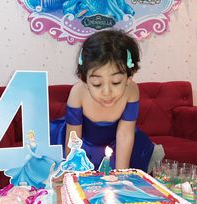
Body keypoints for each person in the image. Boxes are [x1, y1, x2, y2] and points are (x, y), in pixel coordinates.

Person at [50, 30, 164, 173]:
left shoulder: (132, 90)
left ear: (129, 77)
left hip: (118, 145)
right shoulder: (78, 92)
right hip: (80, 144)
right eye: (97, 84)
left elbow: (125, 133)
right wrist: (73, 173)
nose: (107, 92)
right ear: (84, 79)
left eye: (116, 82)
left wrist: (121, 175)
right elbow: (73, 138)